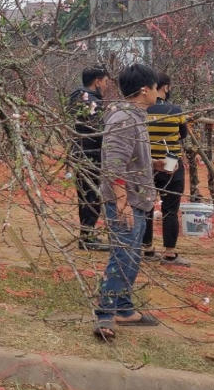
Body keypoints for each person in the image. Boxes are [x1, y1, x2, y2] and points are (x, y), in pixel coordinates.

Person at [92, 62, 162, 342]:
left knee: (131, 256)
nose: (159, 94)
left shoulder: (136, 116)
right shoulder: (123, 118)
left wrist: (151, 164)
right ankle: (105, 314)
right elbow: (113, 164)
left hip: (137, 198)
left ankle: (124, 308)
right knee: (122, 256)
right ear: (144, 90)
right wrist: (121, 202)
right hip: (126, 201)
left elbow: (128, 158)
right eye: (156, 88)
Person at [144, 72, 189, 264]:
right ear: (165, 87)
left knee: (146, 206)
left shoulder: (142, 111)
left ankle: (146, 248)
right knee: (170, 208)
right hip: (171, 162)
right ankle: (169, 252)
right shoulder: (176, 111)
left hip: (147, 162)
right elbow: (183, 134)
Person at [68, 66, 111, 251]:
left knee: (85, 195)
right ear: (97, 81)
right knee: (92, 195)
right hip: (91, 154)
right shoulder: (92, 102)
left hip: (78, 152)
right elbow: (100, 131)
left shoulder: (75, 98)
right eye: (105, 82)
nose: (106, 86)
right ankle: (87, 238)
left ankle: (87, 234)